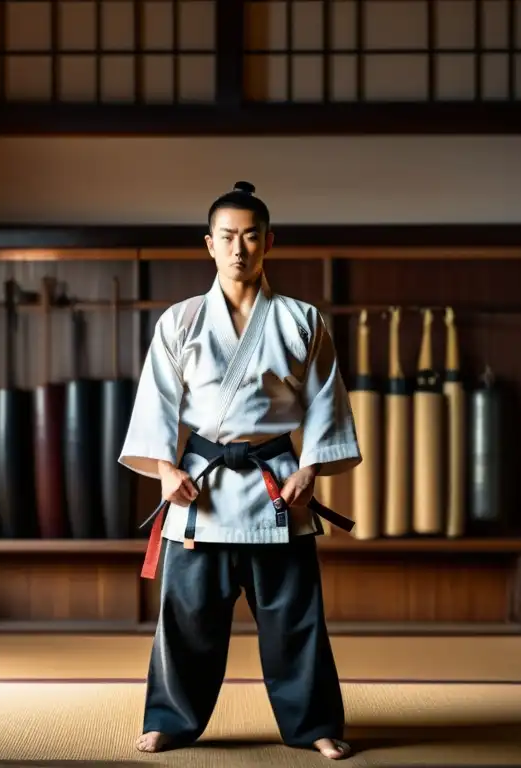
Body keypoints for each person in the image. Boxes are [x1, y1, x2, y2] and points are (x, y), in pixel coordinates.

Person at [118, 181, 362, 760]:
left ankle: (313, 725)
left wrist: (311, 468)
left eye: (251, 236)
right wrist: (162, 468)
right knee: (186, 620)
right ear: (209, 244)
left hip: (276, 487)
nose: (239, 248)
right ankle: (170, 720)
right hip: (200, 488)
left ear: (268, 242)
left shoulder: (302, 320)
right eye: (227, 236)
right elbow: (155, 403)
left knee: (295, 621)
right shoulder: (180, 321)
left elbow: (327, 401)